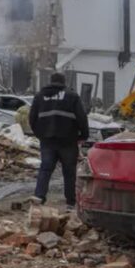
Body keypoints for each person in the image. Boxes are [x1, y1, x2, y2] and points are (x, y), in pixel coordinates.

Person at [28, 72, 88, 209]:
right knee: (69, 172)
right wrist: (83, 136)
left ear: (51, 81)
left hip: (47, 141)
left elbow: (32, 119)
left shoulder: (39, 96)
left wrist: (40, 134)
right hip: (68, 140)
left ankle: (39, 196)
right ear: (63, 82)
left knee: (45, 168)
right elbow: (82, 117)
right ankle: (71, 203)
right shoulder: (72, 96)